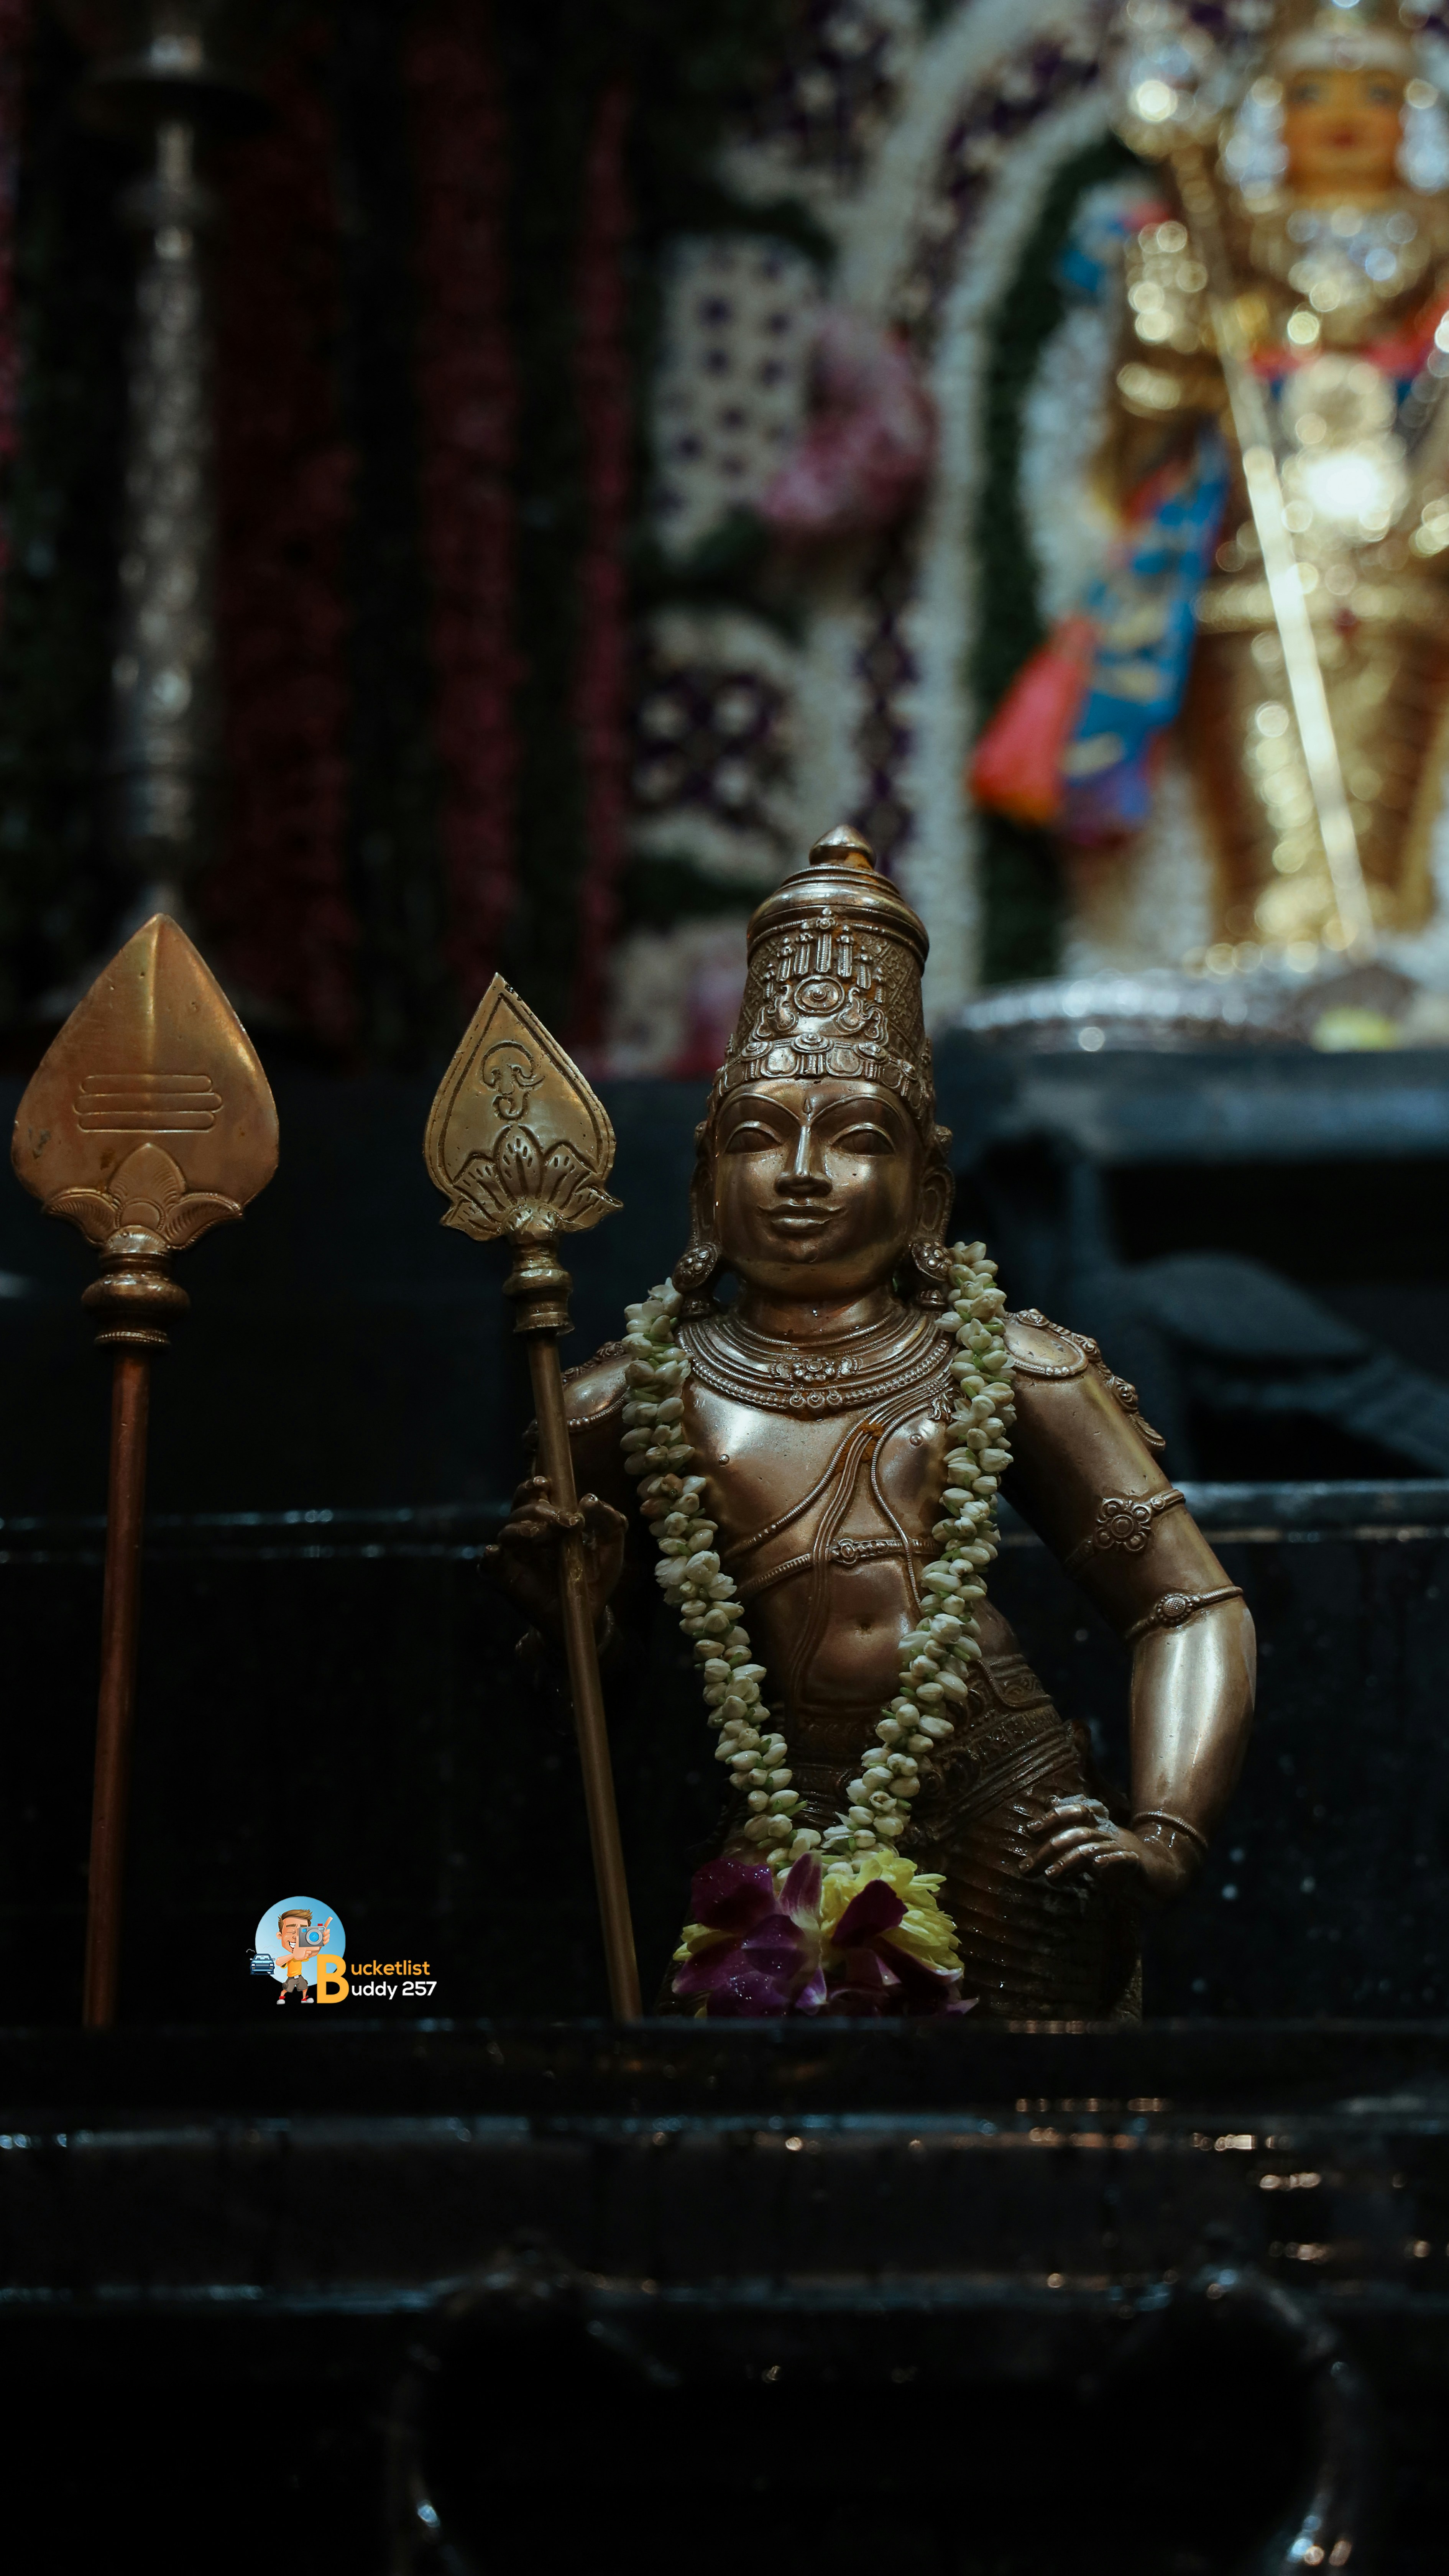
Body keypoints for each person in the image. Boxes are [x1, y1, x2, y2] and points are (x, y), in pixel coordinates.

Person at [490, 830, 1255, 2017]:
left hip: (1003, 1787)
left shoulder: (1010, 1366)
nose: (800, 1171)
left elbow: (1186, 1605)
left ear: (926, 1194)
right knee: (778, 2105)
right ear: (702, 1185)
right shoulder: (617, 1402)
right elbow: (591, 1697)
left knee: (1032, 2098)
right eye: (758, 1136)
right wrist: (569, 1611)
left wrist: (1167, 1825)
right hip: (779, 1803)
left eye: (855, 1138)